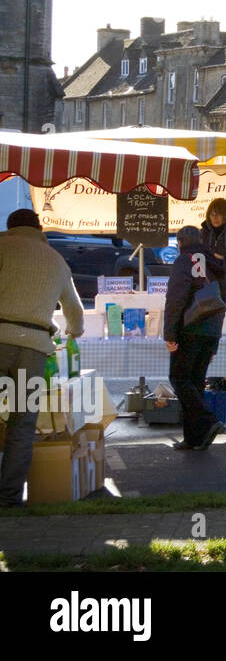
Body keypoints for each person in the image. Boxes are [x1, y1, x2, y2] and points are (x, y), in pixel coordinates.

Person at [0, 210, 85, 506]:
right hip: (34, 348)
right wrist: (74, 332)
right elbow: (74, 312)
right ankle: (9, 498)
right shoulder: (55, 259)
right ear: (39, 228)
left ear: (9, 227)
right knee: (23, 424)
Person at [163, 225, 226, 451]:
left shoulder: (184, 261)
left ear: (180, 242)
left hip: (190, 329)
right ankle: (195, 438)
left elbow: (175, 299)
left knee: (179, 379)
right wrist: (215, 342)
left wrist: (169, 333)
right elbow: (221, 302)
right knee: (196, 382)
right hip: (211, 330)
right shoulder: (213, 261)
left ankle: (207, 421)